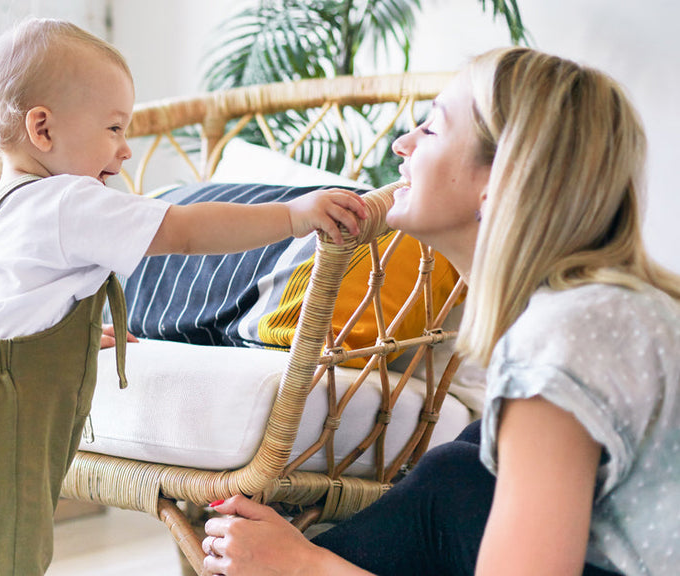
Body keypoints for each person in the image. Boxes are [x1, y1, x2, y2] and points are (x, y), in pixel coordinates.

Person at [0, 18, 370, 576]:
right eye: (114, 128)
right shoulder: (69, 200)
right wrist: (293, 216)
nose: (125, 151)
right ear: (42, 129)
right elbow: (188, 230)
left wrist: (67, 337)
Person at [200, 46, 680, 576]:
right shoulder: (617, 311)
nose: (402, 145)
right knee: (462, 467)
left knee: (453, 484)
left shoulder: (561, 338)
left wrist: (304, 567)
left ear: (501, 178)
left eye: (431, 130)